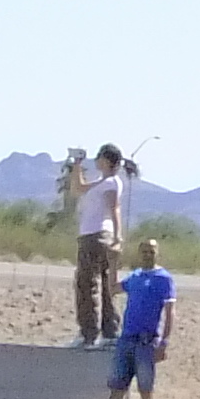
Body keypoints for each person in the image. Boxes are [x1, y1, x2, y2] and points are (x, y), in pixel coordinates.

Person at [86, 238, 175, 399]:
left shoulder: (164, 279)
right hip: (126, 339)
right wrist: (113, 265)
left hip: (147, 341)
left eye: (151, 251)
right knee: (117, 389)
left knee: (146, 390)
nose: (147, 254)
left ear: (157, 253)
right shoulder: (134, 277)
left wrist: (165, 342)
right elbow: (113, 289)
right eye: (144, 251)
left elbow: (170, 312)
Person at [73, 143, 127, 344]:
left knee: (87, 283)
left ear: (106, 160)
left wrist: (117, 237)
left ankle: (89, 332)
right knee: (103, 283)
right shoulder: (102, 182)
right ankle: (109, 331)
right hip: (96, 235)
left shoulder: (112, 183)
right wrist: (77, 164)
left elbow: (115, 208)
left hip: (96, 235)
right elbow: (78, 188)